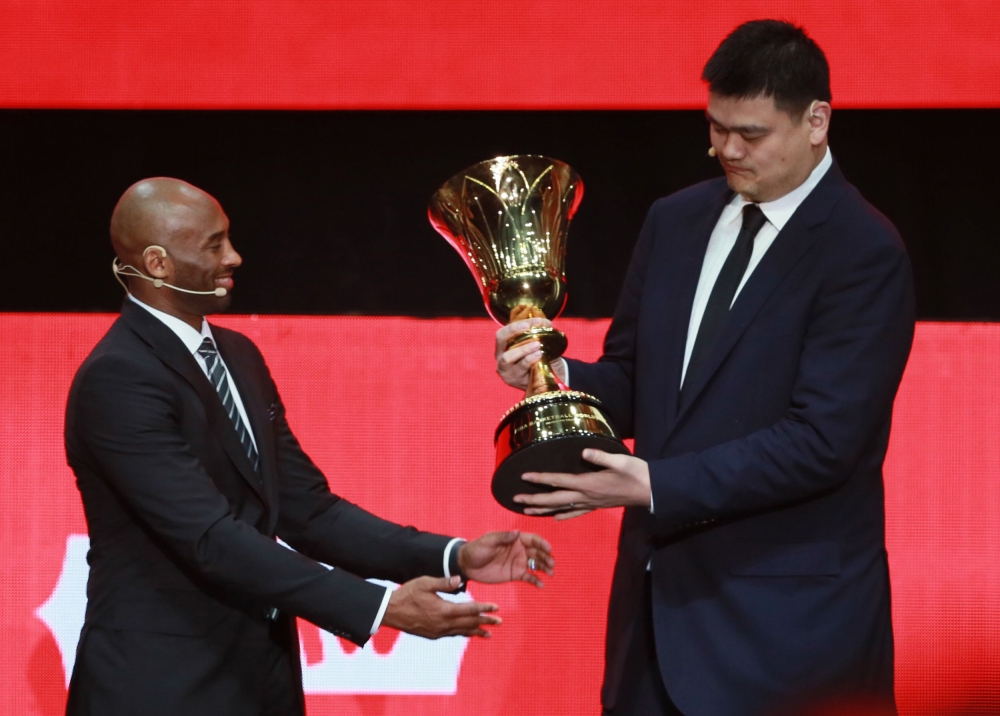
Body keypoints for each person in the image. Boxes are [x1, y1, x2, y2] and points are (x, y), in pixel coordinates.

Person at [494, 20, 914, 716]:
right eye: (716, 128)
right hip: (655, 624)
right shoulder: (676, 220)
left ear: (817, 121)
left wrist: (655, 484)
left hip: (790, 635)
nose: (727, 149)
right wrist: (556, 377)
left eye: (750, 133)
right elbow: (637, 383)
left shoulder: (863, 251)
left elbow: (823, 443)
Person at [65, 177, 555, 716]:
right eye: (213, 245)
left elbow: (307, 510)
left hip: (259, 682)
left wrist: (452, 554)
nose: (234, 256)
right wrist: (380, 607)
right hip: (159, 688)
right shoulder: (118, 378)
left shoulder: (237, 355)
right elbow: (209, 538)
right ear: (158, 263)